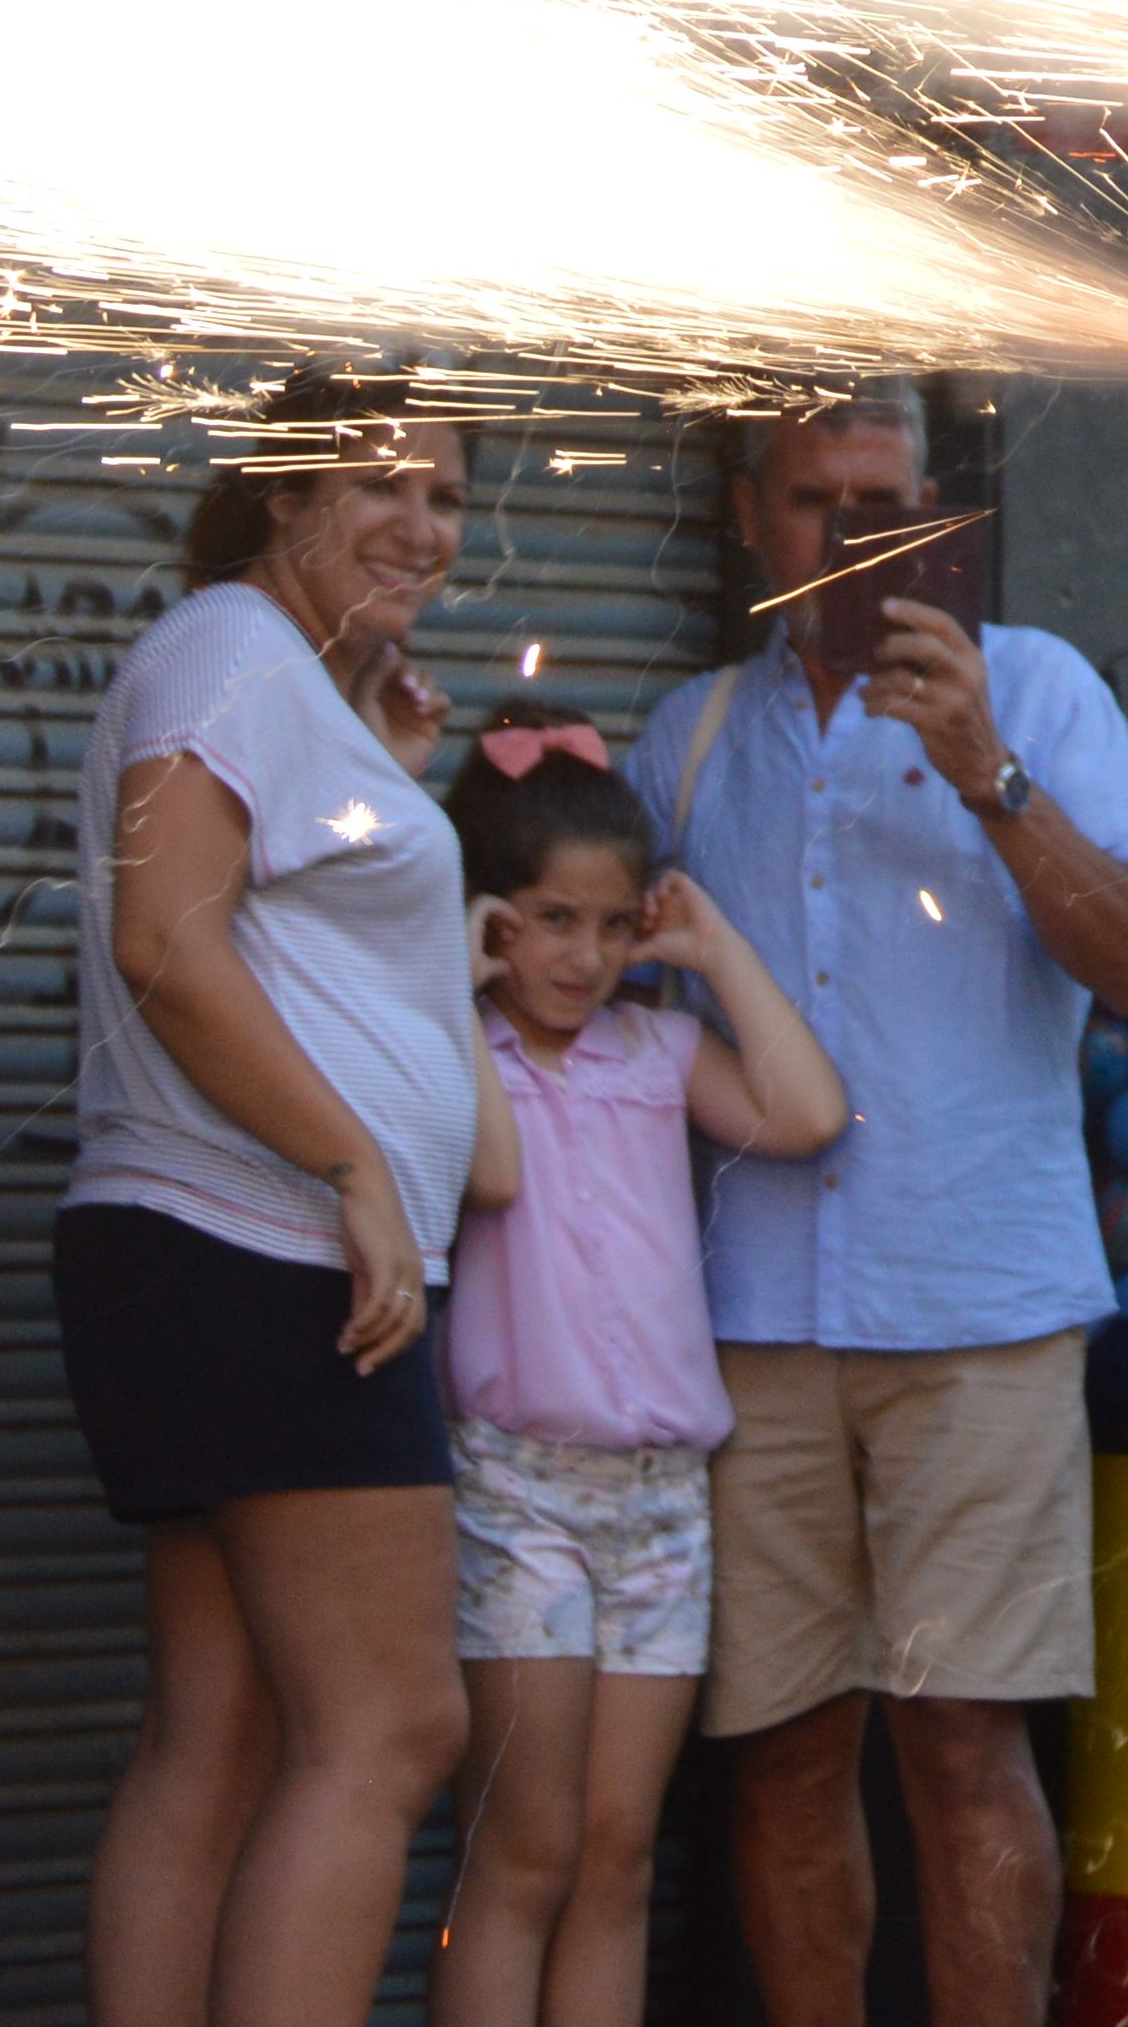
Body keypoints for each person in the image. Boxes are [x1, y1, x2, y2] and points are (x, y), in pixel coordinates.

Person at [623, 392, 1128, 2027]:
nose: (843, 548)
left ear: (935, 518)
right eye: (810, 507)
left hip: (981, 1313)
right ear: (750, 518)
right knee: (786, 1754)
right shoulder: (695, 736)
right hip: (753, 1320)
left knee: (963, 1739)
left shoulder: (1043, 693)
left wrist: (986, 773)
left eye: (879, 510)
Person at [60, 375, 498, 2027]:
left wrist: (373, 772)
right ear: (278, 497)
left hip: (211, 1256)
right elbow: (165, 937)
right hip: (270, 1258)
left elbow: (283, 922)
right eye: (379, 483)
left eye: (448, 496)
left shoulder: (275, 682)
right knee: (392, 1728)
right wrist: (357, 1171)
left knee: (227, 1736)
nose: (421, 525)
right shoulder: (231, 649)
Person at [431, 722, 848, 2027]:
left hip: (666, 1502)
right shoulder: (461, 1060)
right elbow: (481, 1162)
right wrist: (443, 985)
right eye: (551, 920)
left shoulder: (660, 1055)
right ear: (490, 917)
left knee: (617, 1855)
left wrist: (713, 946)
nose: (586, 956)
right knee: (526, 1852)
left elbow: (808, 1113)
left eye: (615, 925)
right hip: (518, 1498)